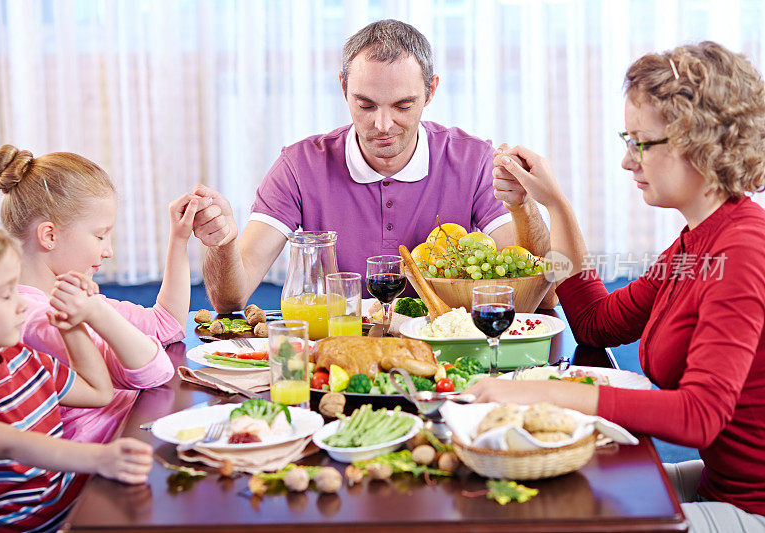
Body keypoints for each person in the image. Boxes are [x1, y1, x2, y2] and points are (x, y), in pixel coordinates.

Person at [469, 41, 765, 532]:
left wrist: (550, 394)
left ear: (700, 141)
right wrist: (553, 205)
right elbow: (595, 322)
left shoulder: (742, 250)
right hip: (723, 485)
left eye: (641, 143)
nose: (628, 162)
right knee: (552, 498)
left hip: (754, 506)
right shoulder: (695, 244)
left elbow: (699, 416)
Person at [193, 19, 551, 312]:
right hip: (336, 349)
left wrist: (524, 206)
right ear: (343, 87)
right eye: (365, 105)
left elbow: (538, 295)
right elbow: (231, 298)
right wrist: (222, 244)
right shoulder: (300, 166)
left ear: (431, 91)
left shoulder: (473, 161)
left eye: (402, 106)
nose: (382, 125)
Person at [0, 144, 203, 443]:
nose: (108, 250)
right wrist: (97, 312)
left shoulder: (69, 297)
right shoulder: (38, 320)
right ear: (49, 236)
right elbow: (154, 371)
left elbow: (166, 325)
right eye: (100, 235)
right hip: (100, 470)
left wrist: (179, 238)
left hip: (130, 431)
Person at [0, 221, 153, 532]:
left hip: (72, 510)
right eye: (5, 294)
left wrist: (72, 327)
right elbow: (12, 445)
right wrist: (100, 458)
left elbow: (98, 392)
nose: (22, 303)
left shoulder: (24, 359)